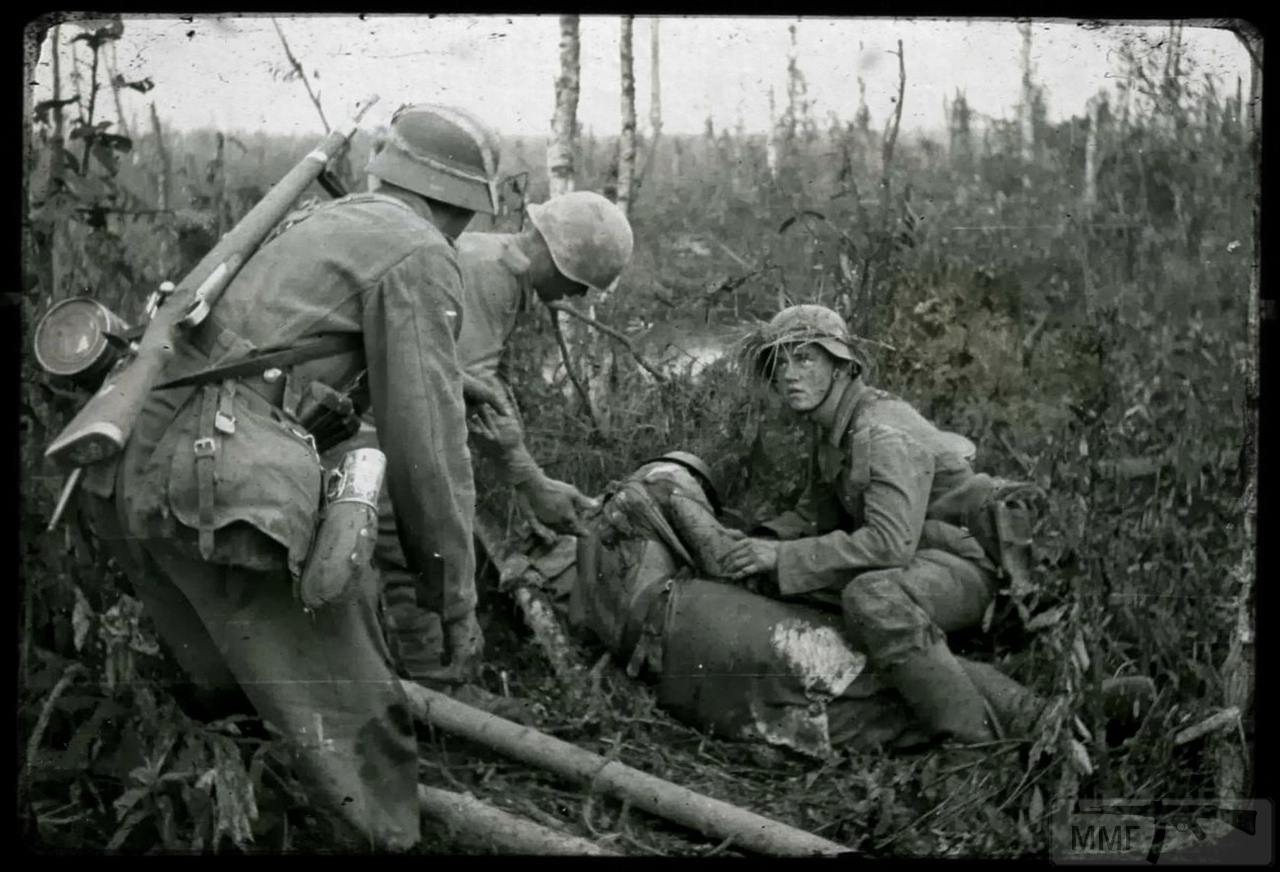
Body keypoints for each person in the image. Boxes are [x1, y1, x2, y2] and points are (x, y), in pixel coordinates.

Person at [78, 103, 501, 850]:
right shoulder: (419, 251)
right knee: (359, 731)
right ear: (465, 206)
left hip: (133, 469)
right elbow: (428, 451)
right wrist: (454, 599)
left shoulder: (315, 220)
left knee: (230, 713)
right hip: (216, 488)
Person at [568, 452, 1154, 758]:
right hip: (692, 624)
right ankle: (1042, 723)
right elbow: (723, 556)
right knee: (868, 672)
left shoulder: (596, 549)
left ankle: (1042, 722)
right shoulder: (656, 492)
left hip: (679, 668)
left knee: (854, 699)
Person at [334, 189, 634, 693]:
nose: (578, 298)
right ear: (556, 257)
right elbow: (453, 398)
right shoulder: (489, 276)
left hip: (378, 418)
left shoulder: (491, 262)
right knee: (416, 548)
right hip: (371, 431)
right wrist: (529, 479)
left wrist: (529, 477)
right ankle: (438, 690)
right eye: (578, 283)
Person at [718, 303, 1050, 745]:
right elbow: (814, 516)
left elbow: (890, 544)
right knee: (789, 581)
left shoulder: (879, 432)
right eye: (780, 363)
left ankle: (973, 741)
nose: (789, 375)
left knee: (871, 597)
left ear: (842, 368)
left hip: (965, 564)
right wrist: (754, 545)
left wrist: (782, 556)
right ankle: (1017, 709)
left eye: (804, 358)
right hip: (923, 559)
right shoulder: (832, 427)